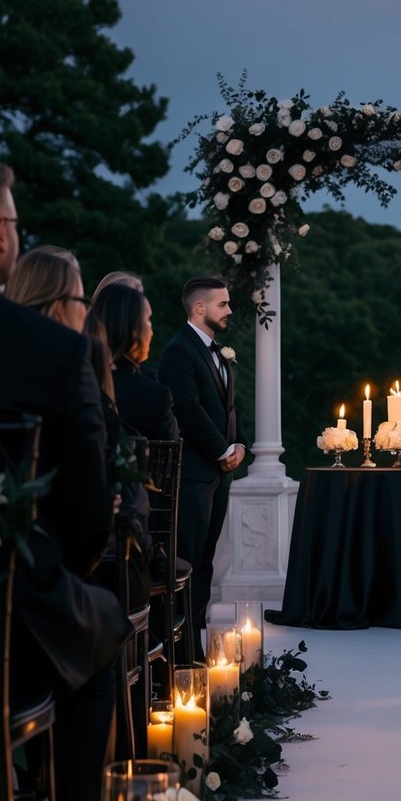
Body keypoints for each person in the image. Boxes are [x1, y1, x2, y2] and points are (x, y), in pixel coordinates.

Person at [0, 162, 130, 801]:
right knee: (99, 637)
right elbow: (85, 514)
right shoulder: (51, 351)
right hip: (6, 628)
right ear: (1, 236)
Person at [158, 276, 245, 657]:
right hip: (192, 475)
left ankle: (198, 641)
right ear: (199, 308)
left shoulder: (216, 350)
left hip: (216, 474)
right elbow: (187, 410)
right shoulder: (179, 351)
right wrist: (221, 450)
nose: (229, 310)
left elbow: (227, 408)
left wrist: (238, 443)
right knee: (188, 562)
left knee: (207, 562)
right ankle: (182, 651)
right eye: (222, 304)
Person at [92, 283, 179, 442]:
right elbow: (170, 459)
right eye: (148, 320)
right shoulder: (154, 396)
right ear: (132, 328)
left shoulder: (75, 374)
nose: (152, 332)